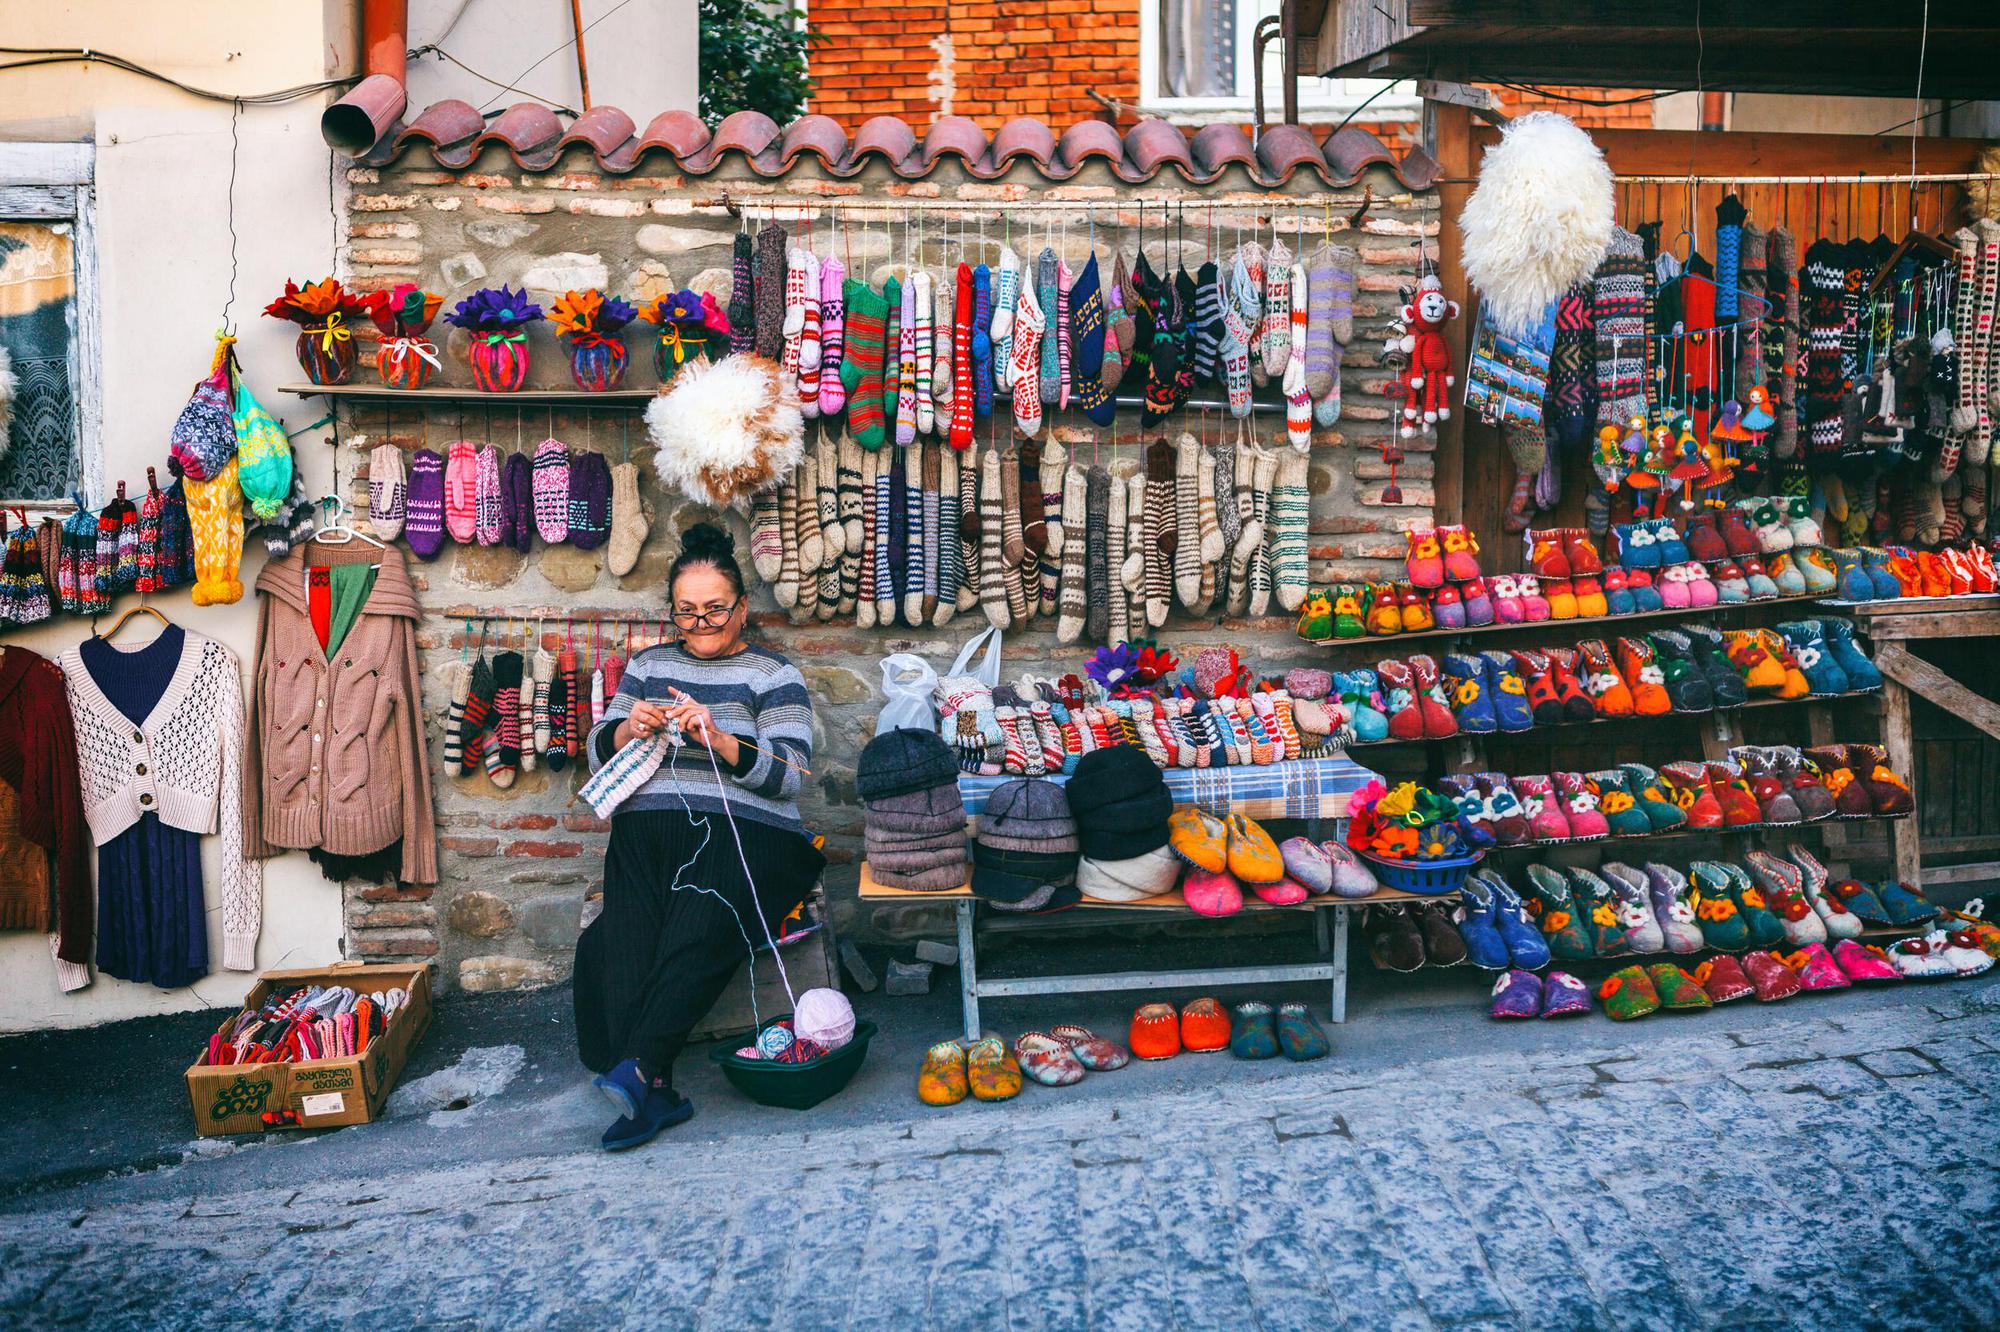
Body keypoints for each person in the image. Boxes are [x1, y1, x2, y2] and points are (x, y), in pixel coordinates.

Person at [572, 522, 822, 1150]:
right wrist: (631, 727)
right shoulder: (649, 665)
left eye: (715, 611)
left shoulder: (773, 674)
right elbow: (599, 747)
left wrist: (721, 740)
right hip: (648, 829)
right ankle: (649, 1089)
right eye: (687, 613)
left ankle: (638, 1069)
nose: (702, 625)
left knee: (696, 917)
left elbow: (790, 776)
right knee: (624, 930)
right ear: (673, 612)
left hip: (749, 835)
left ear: (742, 608)